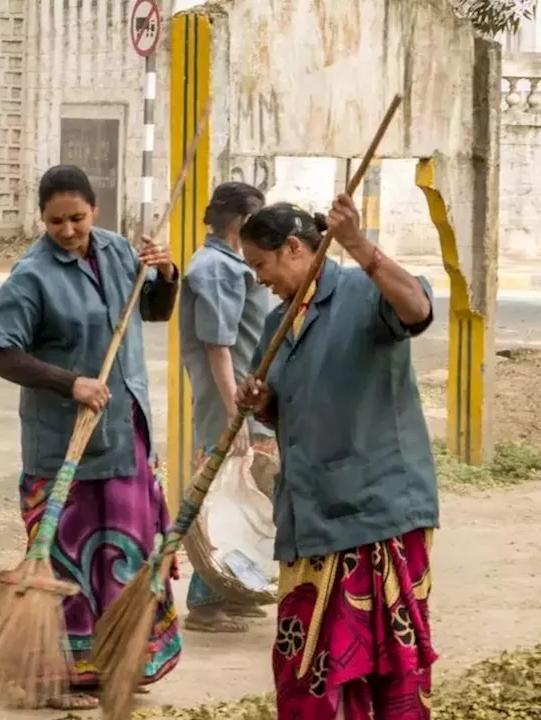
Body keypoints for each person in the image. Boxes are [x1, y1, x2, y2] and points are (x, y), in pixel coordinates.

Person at [0, 164, 183, 710]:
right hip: (63, 448)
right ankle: (61, 677)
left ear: (95, 210)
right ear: (41, 220)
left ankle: (120, 660)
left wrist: (165, 274)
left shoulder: (119, 252)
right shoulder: (32, 276)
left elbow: (155, 313)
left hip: (124, 438)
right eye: (55, 222)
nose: (68, 230)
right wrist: (71, 383)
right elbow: (0, 352)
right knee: (69, 567)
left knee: (126, 558)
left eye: (77, 218)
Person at [235, 196, 438, 719]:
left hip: (376, 511)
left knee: (386, 667)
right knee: (304, 667)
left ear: (296, 248)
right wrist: (264, 404)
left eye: (262, 265)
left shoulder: (362, 291)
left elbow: (417, 310)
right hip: (310, 516)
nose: (260, 280)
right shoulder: (279, 323)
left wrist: (360, 247)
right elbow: (291, 412)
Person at [178, 181, 279, 633]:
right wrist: (234, 412)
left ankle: (236, 591)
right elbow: (217, 345)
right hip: (231, 403)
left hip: (245, 399)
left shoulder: (232, 264)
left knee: (248, 497)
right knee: (223, 499)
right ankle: (206, 601)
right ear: (241, 222)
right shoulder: (215, 269)